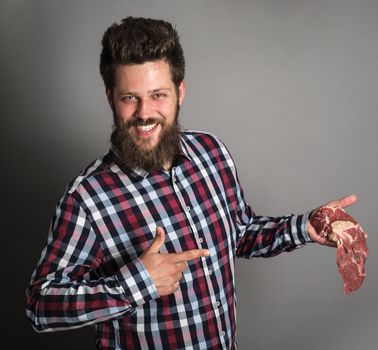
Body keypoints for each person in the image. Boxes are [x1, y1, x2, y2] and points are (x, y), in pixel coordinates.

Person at [26, 16, 358, 349]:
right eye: (130, 98)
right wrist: (138, 283)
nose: (145, 113)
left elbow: (239, 232)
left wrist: (304, 228)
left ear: (180, 92)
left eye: (158, 94)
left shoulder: (211, 153)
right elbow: (40, 304)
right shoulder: (88, 197)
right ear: (110, 97)